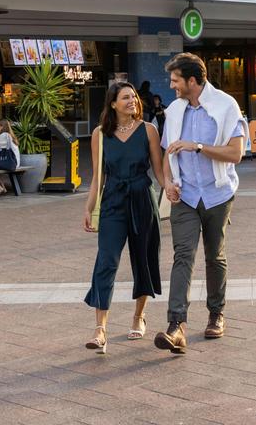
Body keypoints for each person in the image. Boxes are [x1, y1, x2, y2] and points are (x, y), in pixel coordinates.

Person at [154, 52, 245, 355]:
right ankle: (176, 324)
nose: (172, 85)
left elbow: (235, 154)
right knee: (183, 256)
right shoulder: (175, 110)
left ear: (192, 80)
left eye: (176, 79)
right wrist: (167, 182)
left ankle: (216, 313)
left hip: (218, 194)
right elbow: (168, 152)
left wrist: (199, 147)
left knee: (214, 257)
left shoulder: (225, 106)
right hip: (186, 195)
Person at [82, 82, 167, 354]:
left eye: (133, 97)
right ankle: (100, 329)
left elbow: (159, 172)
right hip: (113, 201)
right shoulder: (100, 134)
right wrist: (88, 207)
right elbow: (98, 177)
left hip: (143, 198)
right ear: (113, 104)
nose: (132, 100)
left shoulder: (149, 130)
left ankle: (138, 316)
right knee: (106, 260)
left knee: (143, 259)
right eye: (125, 97)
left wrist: (173, 189)